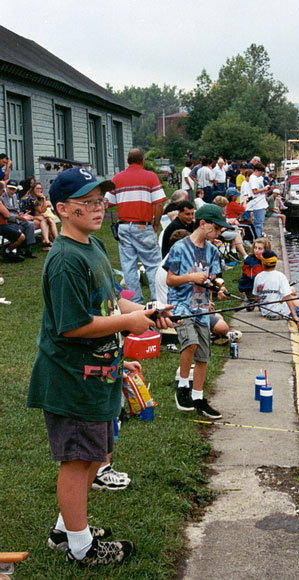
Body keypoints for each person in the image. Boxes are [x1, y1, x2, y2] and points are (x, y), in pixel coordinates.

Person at [26, 166, 173, 566]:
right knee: (76, 462)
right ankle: (81, 549)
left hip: (98, 377)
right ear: (62, 209)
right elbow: (72, 325)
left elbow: (110, 300)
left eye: (101, 200)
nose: (98, 207)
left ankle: (66, 529)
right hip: (72, 381)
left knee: (93, 456)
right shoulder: (64, 261)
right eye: (87, 202)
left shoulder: (91, 247)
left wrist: (144, 309)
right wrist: (128, 323)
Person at [164, 204, 235, 419]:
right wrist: (191, 277)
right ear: (202, 224)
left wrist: (218, 291)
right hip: (180, 306)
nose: (219, 233)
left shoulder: (212, 251)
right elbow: (170, 279)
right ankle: (183, 387)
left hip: (202, 308)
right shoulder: (179, 248)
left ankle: (198, 397)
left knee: (203, 355)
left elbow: (213, 281)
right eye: (216, 228)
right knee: (191, 343)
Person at [106, 149, 166, 303]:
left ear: (127, 161)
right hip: (142, 225)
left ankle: (135, 302)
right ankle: (157, 300)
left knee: (129, 266)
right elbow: (159, 204)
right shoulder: (150, 177)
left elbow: (108, 202)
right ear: (143, 160)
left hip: (124, 227)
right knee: (153, 265)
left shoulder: (117, 178)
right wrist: (155, 225)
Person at [0, 179, 38, 258]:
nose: (12, 191)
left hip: (17, 218)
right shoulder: (2, 197)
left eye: (14, 189)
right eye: (10, 189)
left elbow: (16, 210)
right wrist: (18, 217)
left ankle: (28, 249)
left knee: (30, 224)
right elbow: (6, 215)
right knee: (19, 228)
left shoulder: (14, 196)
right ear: (6, 188)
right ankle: (17, 250)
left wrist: (22, 215)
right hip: (9, 220)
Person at [238, 237, 271, 306]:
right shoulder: (250, 260)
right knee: (254, 301)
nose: (256, 250)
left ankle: (257, 303)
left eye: (260, 249)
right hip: (249, 285)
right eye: (255, 248)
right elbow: (254, 276)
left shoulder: (267, 260)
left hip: (261, 285)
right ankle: (252, 302)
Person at [0, 182, 26, 262]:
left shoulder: (13, 197)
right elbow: (7, 215)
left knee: (20, 228)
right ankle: (7, 252)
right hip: (2, 225)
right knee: (21, 236)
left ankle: (13, 252)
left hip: (5, 223)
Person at [247, 164, 270, 238]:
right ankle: (258, 238)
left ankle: (258, 237)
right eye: (260, 173)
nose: (261, 175)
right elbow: (255, 191)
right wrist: (265, 189)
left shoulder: (259, 178)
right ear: (256, 170)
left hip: (261, 203)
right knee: (258, 223)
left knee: (259, 223)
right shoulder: (253, 178)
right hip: (257, 204)